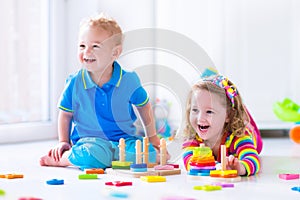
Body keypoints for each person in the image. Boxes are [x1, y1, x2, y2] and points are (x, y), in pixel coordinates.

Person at [40, 13, 162, 170]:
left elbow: (144, 107)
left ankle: (112, 158)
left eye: (95, 46)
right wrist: (63, 141)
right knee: (90, 155)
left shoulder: (129, 80)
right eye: (82, 46)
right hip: (90, 142)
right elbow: (65, 114)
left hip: (124, 140)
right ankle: (62, 159)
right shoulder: (75, 82)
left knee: (148, 154)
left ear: (115, 53)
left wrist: (152, 137)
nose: (87, 52)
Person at [182, 75, 262, 176]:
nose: (200, 118)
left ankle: (242, 112)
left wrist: (240, 167)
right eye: (195, 110)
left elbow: (253, 159)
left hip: (251, 134)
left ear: (227, 116)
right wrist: (216, 166)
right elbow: (189, 161)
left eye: (209, 111)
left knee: (246, 125)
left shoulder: (238, 136)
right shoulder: (192, 136)